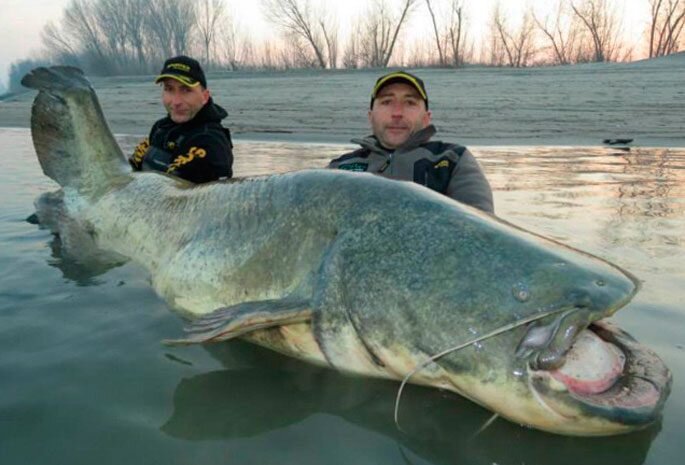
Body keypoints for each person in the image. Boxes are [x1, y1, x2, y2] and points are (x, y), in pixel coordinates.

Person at [328, 71, 494, 214]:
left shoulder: (453, 160)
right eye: (387, 102)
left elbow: (483, 231)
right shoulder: (339, 168)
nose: (397, 113)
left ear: (426, 118)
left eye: (410, 103)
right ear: (371, 117)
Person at [129, 55, 233, 183]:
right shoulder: (160, 128)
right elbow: (131, 170)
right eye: (169, 89)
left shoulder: (211, 143)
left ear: (205, 96)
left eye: (186, 90)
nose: (176, 101)